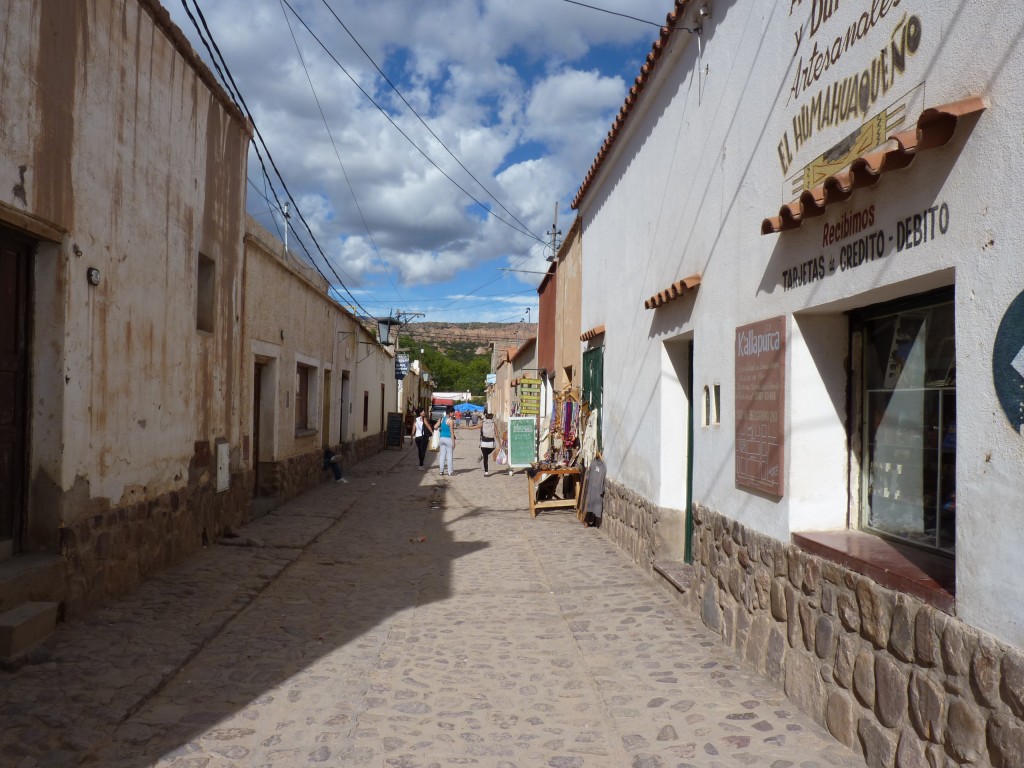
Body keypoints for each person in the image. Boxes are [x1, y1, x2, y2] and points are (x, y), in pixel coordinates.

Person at [434, 405, 456, 476]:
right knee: (449, 456)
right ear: (450, 413)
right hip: (448, 439)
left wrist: (440, 429)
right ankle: (450, 471)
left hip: (441, 439)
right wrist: (454, 442)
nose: (453, 414)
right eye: (453, 413)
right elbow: (452, 432)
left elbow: (435, 427)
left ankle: (441, 471)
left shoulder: (442, 419)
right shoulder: (450, 421)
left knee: (442, 456)